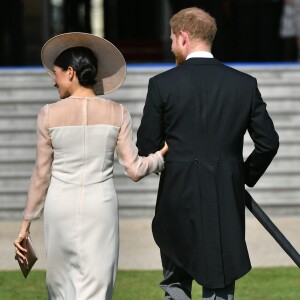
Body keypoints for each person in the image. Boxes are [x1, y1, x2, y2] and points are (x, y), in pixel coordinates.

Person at [137, 7, 279, 300]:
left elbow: (146, 147)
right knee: (220, 286)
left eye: (173, 40)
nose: (172, 46)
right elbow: (268, 143)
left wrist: (169, 156)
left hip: (177, 198)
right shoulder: (244, 84)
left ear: (184, 37)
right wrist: (241, 175)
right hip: (224, 198)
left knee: (176, 286)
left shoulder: (162, 84)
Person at [14, 32, 168, 300]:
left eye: (57, 73)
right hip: (101, 206)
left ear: (71, 72)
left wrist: (25, 226)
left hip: (60, 205)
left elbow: (41, 175)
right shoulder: (117, 112)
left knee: (61, 288)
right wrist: (160, 157)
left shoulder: (48, 114)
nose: (54, 80)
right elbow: (133, 169)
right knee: (98, 288)